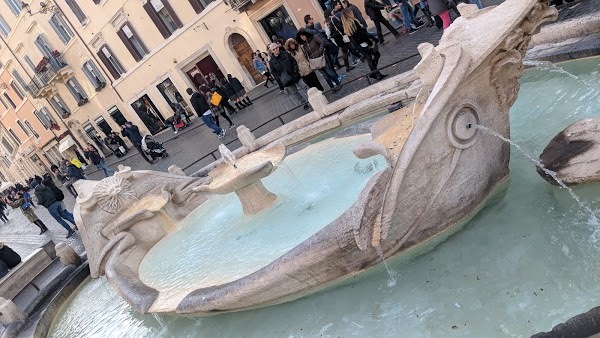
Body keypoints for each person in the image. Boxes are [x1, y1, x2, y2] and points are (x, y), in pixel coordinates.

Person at [342, 8, 387, 80]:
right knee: (376, 54)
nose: (353, 13)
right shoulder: (354, 22)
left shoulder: (346, 26)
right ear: (348, 14)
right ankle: (376, 73)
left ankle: (375, 73)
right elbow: (362, 36)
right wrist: (370, 44)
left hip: (358, 46)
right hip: (364, 44)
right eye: (351, 12)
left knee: (369, 59)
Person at [267, 43, 310, 110]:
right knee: (295, 92)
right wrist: (281, 78)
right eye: (274, 49)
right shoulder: (271, 61)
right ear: (272, 51)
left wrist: (295, 70)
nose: (276, 50)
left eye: (276, 48)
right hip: (286, 80)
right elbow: (273, 72)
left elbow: (294, 62)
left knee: (304, 86)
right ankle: (303, 103)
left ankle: (313, 97)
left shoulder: (285, 53)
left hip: (295, 75)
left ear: (278, 47)